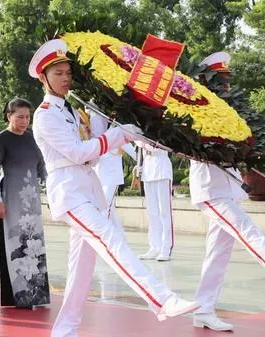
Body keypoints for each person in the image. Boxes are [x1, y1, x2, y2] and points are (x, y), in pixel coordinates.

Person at [29, 39, 199, 337]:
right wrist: (117, 136)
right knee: (111, 239)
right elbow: (79, 152)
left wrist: (119, 119)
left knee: (81, 269)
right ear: (43, 78)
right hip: (70, 193)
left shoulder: (72, 109)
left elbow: (96, 142)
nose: (66, 77)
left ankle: (64, 330)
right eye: (58, 73)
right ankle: (161, 299)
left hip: (87, 189)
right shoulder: (45, 115)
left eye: (68, 71)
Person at [189, 51, 265, 332]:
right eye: (220, 81)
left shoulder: (228, 112)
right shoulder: (196, 110)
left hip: (227, 190)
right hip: (211, 190)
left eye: (226, 81)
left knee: (217, 253)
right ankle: (204, 308)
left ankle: (204, 308)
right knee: (250, 233)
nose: (226, 87)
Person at [0, 98, 49, 308]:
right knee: (15, 243)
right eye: (20, 117)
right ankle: (18, 295)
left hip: (32, 201)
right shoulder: (1, 139)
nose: (25, 121)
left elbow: (42, 166)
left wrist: (51, 189)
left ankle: (35, 294)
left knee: (34, 244)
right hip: (12, 199)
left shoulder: (32, 139)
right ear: (9, 116)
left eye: (27, 117)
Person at [91, 119, 137, 229]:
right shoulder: (96, 132)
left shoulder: (118, 132)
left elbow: (134, 153)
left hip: (112, 177)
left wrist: (140, 165)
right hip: (99, 175)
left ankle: (103, 234)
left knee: (106, 206)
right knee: (107, 208)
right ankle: (119, 236)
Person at [136, 141, 174, 261]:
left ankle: (165, 248)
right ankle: (154, 247)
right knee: (152, 213)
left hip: (162, 167)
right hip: (148, 168)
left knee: (164, 212)